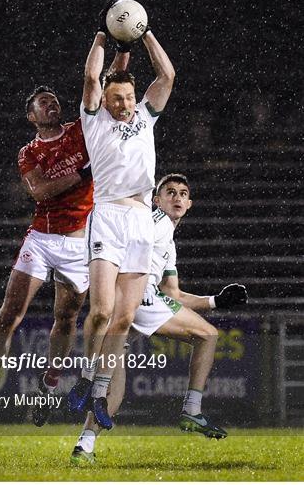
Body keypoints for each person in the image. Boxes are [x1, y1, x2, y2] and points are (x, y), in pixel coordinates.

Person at [70, 173, 248, 465]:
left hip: (138, 301)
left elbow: (173, 294)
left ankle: (84, 447)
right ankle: (192, 411)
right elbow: (125, 260)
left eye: (183, 193)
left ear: (189, 204)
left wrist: (215, 300)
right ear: (156, 200)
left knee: (115, 391)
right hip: (138, 299)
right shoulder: (156, 223)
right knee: (208, 336)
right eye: (170, 192)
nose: (177, 197)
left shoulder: (167, 239)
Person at [68, 1, 176, 430]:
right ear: (106, 101)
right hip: (108, 216)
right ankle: (83, 380)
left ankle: (96, 392)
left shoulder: (145, 117)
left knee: (126, 319)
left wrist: (144, 32)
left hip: (141, 220)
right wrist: (101, 34)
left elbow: (166, 76)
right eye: (117, 98)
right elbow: (92, 77)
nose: (125, 103)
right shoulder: (94, 123)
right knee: (100, 312)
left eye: (129, 96)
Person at [0, 85, 94, 422]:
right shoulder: (30, 152)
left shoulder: (79, 130)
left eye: (54, 101)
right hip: (41, 239)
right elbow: (40, 191)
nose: (52, 105)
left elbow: (95, 93)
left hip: (80, 242)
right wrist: (81, 174)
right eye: (43, 103)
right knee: (10, 313)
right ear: (32, 116)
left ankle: (48, 388)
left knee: (66, 319)